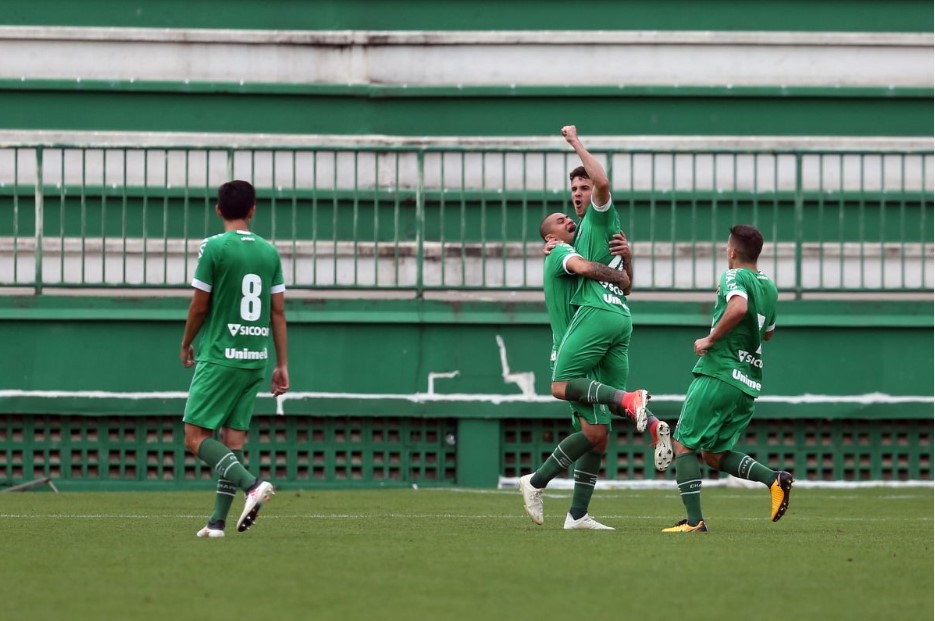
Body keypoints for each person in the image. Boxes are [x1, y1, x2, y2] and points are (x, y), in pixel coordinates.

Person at [520, 125, 664, 530]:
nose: (578, 197)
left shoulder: (591, 230)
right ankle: (536, 481)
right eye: (574, 191)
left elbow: (626, 284)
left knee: (598, 434)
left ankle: (576, 513)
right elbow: (592, 271)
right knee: (568, 396)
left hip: (596, 332)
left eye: (583, 189)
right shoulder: (564, 248)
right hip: (574, 338)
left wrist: (628, 262)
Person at [662, 224, 793, 533]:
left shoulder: (733, 276)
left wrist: (711, 338)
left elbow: (738, 306)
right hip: (747, 382)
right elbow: (769, 333)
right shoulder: (770, 287)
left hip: (719, 373)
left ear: (733, 251)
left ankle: (694, 522)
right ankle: (774, 479)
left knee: (683, 445)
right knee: (715, 455)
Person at [180, 180, 289, 538]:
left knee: (195, 437)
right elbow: (277, 313)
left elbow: (199, 305)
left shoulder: (213, 247)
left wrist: (186, 342)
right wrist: (281, 364)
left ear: (218, 210)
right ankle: (216, 523)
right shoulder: (270, 252)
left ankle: (252, 485)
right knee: (233, 443)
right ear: (253, 210)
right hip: (255, 357)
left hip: (221, 355)